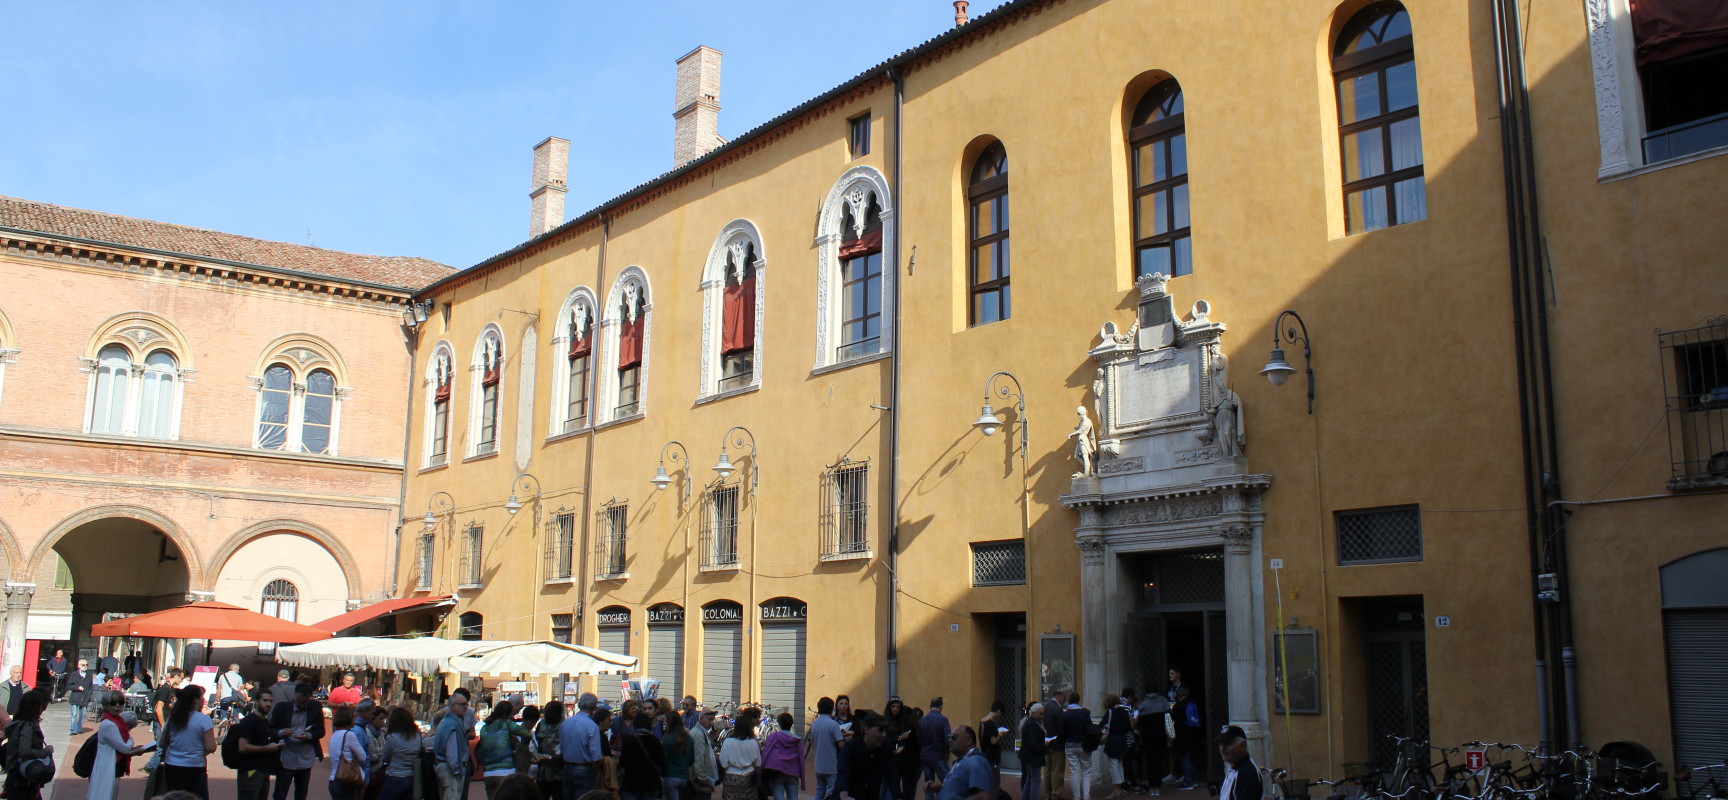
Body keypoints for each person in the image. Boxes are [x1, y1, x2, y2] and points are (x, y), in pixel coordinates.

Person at [89, 689, 149, 800]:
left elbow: (122, 746)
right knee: (105, 795)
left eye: (120, 703)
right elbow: (125, 748)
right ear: (106, 705)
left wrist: (133, 749)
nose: (117, 706)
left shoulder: (117, 721)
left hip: (112, 764)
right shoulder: (109, 724)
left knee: (109, 794)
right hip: (107, 766)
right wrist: (131, 741)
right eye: (113, 703)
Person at [272, 682, 327, 800]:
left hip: (305, 757)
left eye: (304, 702)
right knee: (280, 792)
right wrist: (281, 732)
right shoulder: (282, 708)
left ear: (310, 698)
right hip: (286, 755)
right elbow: (271, 729)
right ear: (294, 697)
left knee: (301, 794)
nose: (301, 705)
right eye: (298, 702)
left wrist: (308, 735)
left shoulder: (315, 707)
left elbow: (321, 731)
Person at [161, 684, 217, 799]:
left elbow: (162, 742)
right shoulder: (203, 719)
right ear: (196, 700)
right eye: (202, 697)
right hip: (195, 765)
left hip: (172, 765)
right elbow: (211, 746)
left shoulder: (173, 718)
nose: (204, 699)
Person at [234, 689, 287, 800]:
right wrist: (266, 748)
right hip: (250, 770)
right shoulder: (249, 721)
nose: (268, 704)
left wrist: (274, 746)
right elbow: (242, 746)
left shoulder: (264, 721)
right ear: (257, 701)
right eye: (265, 700)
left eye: (271, 701)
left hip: (263, 770)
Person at [3, 689, 52, 800]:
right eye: (40, 706)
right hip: (22, 777)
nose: (42, 709)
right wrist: (45, 752)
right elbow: (24, 751)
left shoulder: (18, 724)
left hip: (17, 775)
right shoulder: (26, 726)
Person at [559, 693, 604, 800]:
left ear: (579, 704)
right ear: (594, 707)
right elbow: (596, 756)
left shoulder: (566, 723)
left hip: (567, 767)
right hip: (584, 768)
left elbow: (561, 748)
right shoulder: (592, 726)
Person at [477, 701, 526, 798]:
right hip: (506, 770)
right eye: (511, 714)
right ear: (505, 714)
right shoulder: (507, 723)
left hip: (488, 773)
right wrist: (523, 745)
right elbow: (526, 734)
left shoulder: (484, 728)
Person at [840, 715, 892, 800]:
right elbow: (843, 773)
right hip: (850, 795)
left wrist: (897, 797)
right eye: (880, 730)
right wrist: (844, 796)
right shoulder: (851, 747)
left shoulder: (885, 748)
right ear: (866, 729)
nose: (884, 735)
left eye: (886, 731)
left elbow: (892, 773)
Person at [144, 667, 186, 774]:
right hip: (161, 721)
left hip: (167, 720)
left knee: (163, 746)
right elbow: (158, 708)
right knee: (160, 747)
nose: (182, 680)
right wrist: (163, 725)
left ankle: (152, 766)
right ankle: (153, 768)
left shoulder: (171, 689)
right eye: (181, 678)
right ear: (176, 676)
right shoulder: (165, 689)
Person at [930, 727, 990, 800]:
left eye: (954, 737)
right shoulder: (962, 761)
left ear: (968, 741)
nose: (949, 740)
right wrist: (940, 789)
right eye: (949, 737)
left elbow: (982, 797)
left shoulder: (975, 762)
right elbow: (959, 792)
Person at [377, 706, 423, 800]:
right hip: (411, 776)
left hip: (394, 775)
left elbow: (386, 758)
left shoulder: (393, 737)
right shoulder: (418, 737)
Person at [328, 703, 371, 800]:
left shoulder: (334, 735)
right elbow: (362, 757)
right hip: (346, 780)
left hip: (333, 779)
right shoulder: (349, 735)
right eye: (353, 717)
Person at [619, 712, 666, 800]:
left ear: (635, 724)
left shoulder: (628, 741)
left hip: (631, 783)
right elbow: (661, 763)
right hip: (651, 783)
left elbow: (622, 762)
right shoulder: (655, 741)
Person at [807, 698, 844, 800]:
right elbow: (841, 745)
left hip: (818, 764)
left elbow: (812, 743)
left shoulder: (814, 724)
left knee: (819, 792)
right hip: (831, 765)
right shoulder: (833, 725)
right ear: (832, 709)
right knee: (832, 792)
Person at [761, 712, 804, 800]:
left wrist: (761, 770)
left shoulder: (772, 737)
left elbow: (765, 754)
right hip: (793, 773)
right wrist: (803, 779)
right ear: (791, 724)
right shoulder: (797, 740)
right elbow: (801, 760)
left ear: (779, 723)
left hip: (776, 772)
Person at [1135, 686, 1168, 797]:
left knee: (1149, 762)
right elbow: (1168, 716)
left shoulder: (1143, 704)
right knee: (1159, 762)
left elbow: (1139, 723)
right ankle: (1158, 787)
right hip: (1161, 737)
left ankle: (1152, 787)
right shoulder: (1163, 701)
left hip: (1148, 738)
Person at [1058, 693, 1092, 800]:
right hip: (1084, 744)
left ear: (1069, 700)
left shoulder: (1065, 714)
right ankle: (1086, 796)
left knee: (1074, 771)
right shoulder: (1085, 713)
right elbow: (1090, 728)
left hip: (1070, 745)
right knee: (1086, 771)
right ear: (1078, 700)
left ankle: (1076, 797)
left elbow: (1062, 731)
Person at [718, 716, 760, 800]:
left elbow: (723, 763)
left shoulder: (728, 742)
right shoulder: (753, 742)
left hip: (731, 776)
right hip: (749, 776)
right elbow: (758, 763)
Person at [1100, 693, 1132, 800]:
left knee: (1113, 765)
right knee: (1119, 763)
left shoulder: (1110, 712)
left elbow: (1101, 726)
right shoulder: (1124, 712)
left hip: (1113, 740)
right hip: (1123, 740)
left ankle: (1116, 790)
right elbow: (1128, 727)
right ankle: (1119, 788)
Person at [917, 698, 951, 800]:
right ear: (941, 706)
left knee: (929, 782)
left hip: (925, 755)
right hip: (938, 755)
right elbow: (948, 738)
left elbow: (919, 739)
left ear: (930, 706)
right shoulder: (943, 720)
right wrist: (947, 752)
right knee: (948, 780)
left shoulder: (922, 721)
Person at [1215, 727, 1260, 800]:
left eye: (1227, 743)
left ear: (1242, 745)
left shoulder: (1247, 773)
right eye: (1221, 744)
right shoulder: (1236, 769)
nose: (1222, 748)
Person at [1170, 688, 1202, 791]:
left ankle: (1188, 781)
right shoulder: (1193, 703)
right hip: (1193, 734)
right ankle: (1193, 779)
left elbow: (1172, 717)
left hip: (1182, 735)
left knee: (1185, 758)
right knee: (1191, 758)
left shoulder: (1179, 705)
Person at [534, 701, 566, 800]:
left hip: (559, 774)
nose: (546, 714)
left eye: (549, 711)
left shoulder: (566, 725)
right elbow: (538, 741)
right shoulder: (541, 724)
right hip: (542, 774)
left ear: (558, 713)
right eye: (545, 711)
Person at [1018, 703, 1050, 800]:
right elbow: (1033, 744)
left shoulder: (1029, 722)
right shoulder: (1032, 724)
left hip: (1027, 756)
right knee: (1035, 780)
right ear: (1034, 713)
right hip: (1033, 757)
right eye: (1040, 714)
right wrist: (1044, 746)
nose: (1042, 716)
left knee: (1029, 779)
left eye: (1043, 714)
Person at [660, 711, 695, 800]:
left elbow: (663, 760)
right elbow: (691, 759)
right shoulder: (689, 738)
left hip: (670, 775)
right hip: (684, 776)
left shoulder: (667, 739)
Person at [1041, 689, 1068, 800]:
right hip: (1057, 744)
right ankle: (1056, 794)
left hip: (1046, 743)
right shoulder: (1058, 709)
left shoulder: (1044, 706)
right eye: (1064, 699)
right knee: (1057, 771)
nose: (1064, 702)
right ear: (1060, 697)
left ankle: (1048, 794)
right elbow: (1062, 728)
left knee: (1047, 770)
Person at [687, 709, 720, 800]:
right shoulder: (698, 734)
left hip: (703, 781)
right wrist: (702, 778)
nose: (711, 723)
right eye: (709, 720)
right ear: (701, 718)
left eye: (712, 720)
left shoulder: (701, 732)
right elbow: (698, 758)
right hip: (701, 783)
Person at [67, 658, 93, 733]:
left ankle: (79, 728)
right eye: (83, 665)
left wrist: (90, 693)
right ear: (79, 665)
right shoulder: (74, 674)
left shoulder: (89, 674)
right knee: (74, 714)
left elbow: (91, 685)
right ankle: (73, 730)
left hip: (84, 698)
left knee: (83, 714)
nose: (85, 666)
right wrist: (77, 687)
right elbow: (69, 686)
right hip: (75, 697)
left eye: (86, 665)